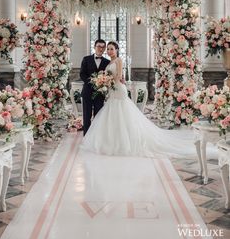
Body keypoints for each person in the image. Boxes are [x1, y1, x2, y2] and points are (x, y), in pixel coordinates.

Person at [81, 41, 215, 158]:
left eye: (111, 48)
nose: (109, 51)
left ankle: (125, 143)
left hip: (117, 89)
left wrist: (107, 81)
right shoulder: (108, 62)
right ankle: (111, 141)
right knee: (111, 116)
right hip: (111, 90)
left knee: (121, 113)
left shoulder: (118, 60)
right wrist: (105, 82)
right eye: (108, 49)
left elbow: (119, 76)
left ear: (116, 50)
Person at [80, 39, 110, 136]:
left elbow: (109, 76)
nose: (100, 49)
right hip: (87, 92)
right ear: (94, 47)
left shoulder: (107, 62)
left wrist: (102, 84)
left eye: (103, 47)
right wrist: (93, 82)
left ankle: (96, 137)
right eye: (99, 46)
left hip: (100, 93)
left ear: (104, 48)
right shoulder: (86, 59)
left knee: (98, 116)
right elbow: (82, 74)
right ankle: (86, 136)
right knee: (86, 115)